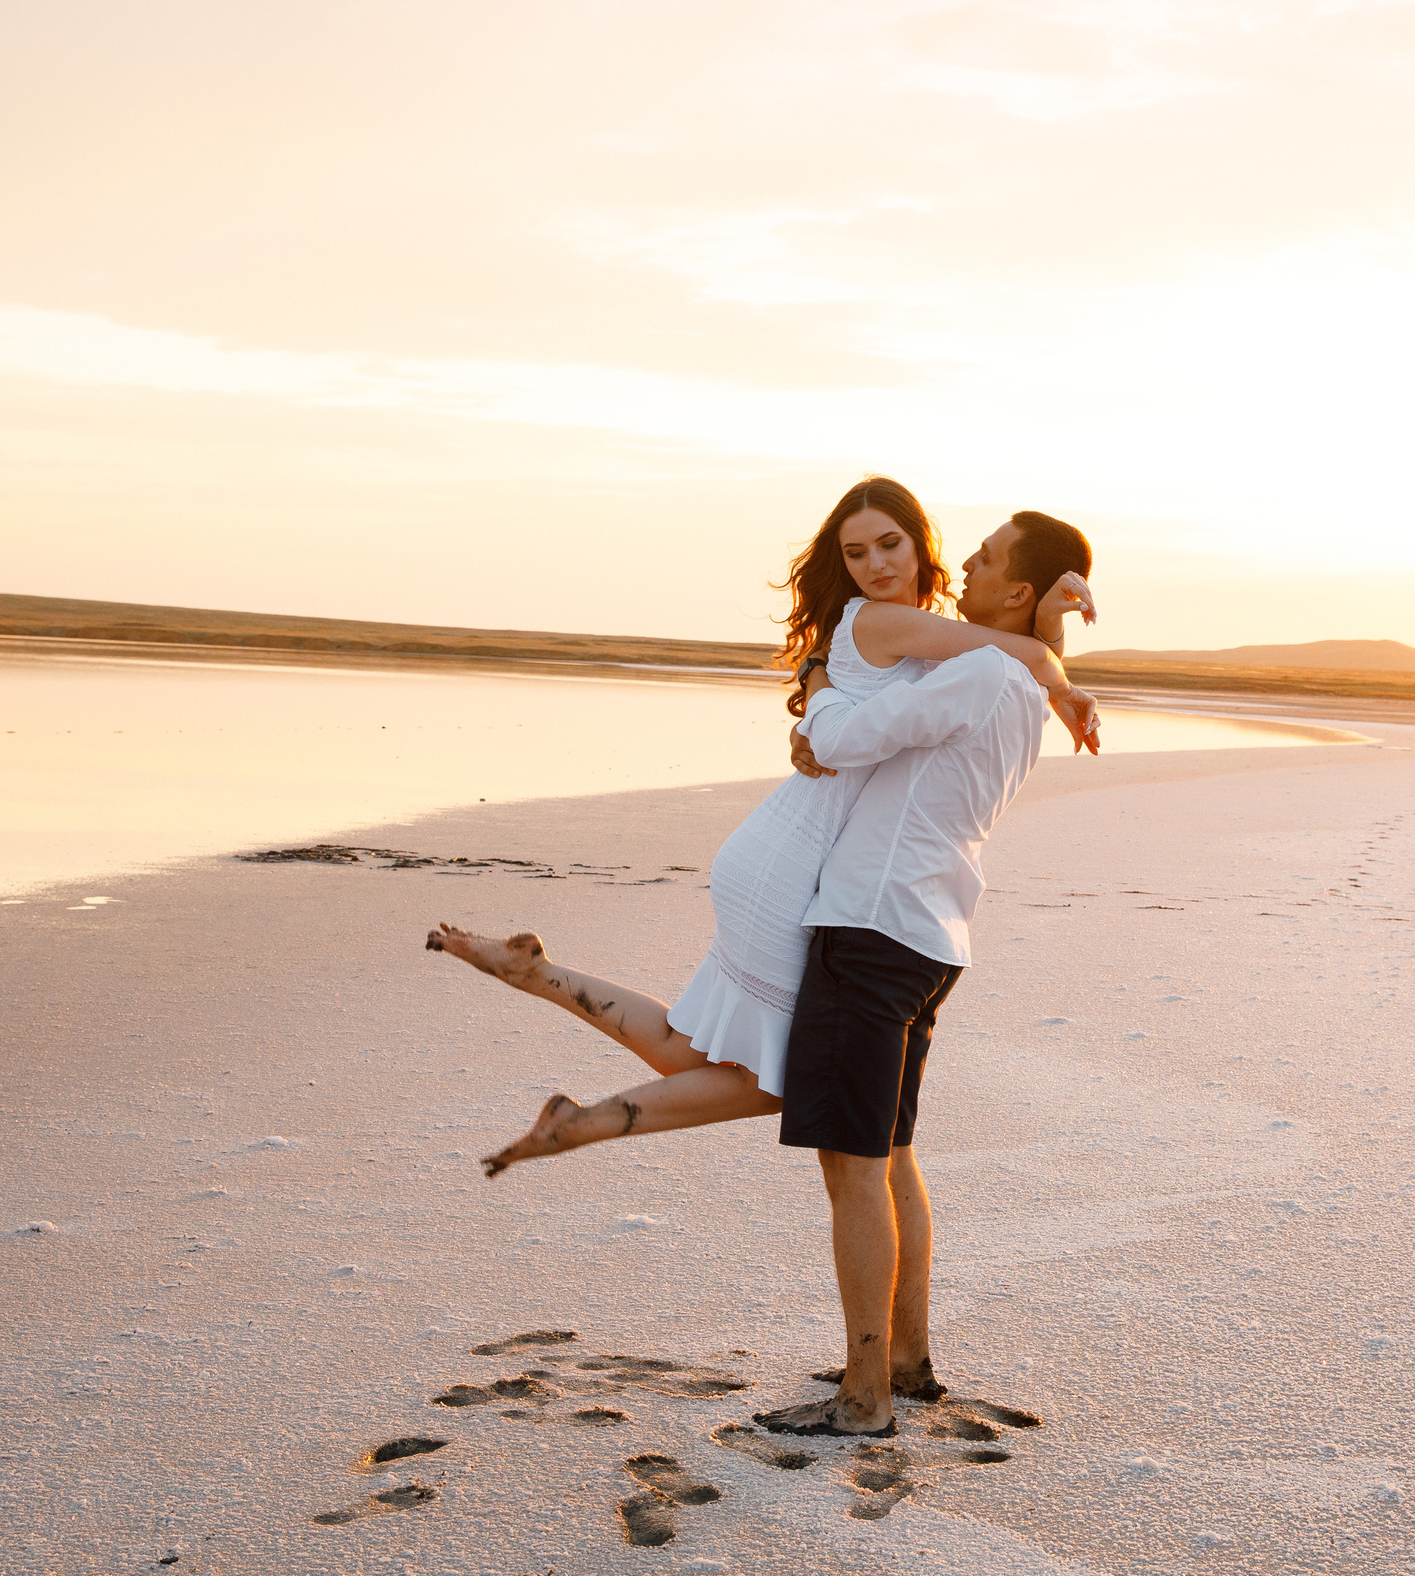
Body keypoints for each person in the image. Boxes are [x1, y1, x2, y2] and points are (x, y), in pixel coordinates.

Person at [427, 477, 1096, 1172]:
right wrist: (1055, 655)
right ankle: (583, 1119)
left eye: (891, 544)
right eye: (859, 552)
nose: (878, 564)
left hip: (784, 847)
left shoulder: (927, 634)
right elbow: (1017, 656)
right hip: (791, 863)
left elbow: (994, 657)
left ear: (920, 542)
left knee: (690, 1047)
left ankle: (535, 977)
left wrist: (1043, 625)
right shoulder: (891, 621)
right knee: (779, 1078)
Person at [749, 509, 1093, 1438]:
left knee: (852, 1165)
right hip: (934, 932)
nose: (965, 567)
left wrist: (817, 685)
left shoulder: (984, 669)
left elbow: (845, 741)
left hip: (871, 926)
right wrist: (1054, 630)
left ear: (1014, 591)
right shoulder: (1017, 681)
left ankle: (863, 1400)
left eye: (983, 559)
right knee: (892, 1150)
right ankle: (904, 1359)